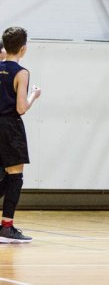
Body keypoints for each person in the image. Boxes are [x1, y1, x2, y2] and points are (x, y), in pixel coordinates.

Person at [0, 27, 41, 243]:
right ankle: (6, 228)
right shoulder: (21, 72)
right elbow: (21, 108)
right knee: (15, 176)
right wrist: (34, 95)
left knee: (2, 175)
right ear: (23, 49)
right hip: (10, 127)